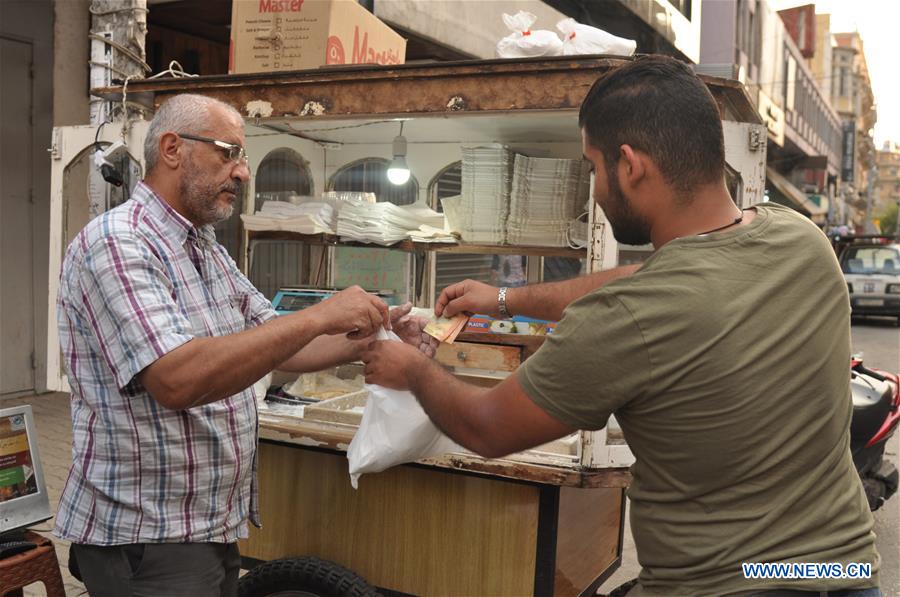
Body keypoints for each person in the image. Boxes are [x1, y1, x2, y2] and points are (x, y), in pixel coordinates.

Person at [361, 56, 881, 596]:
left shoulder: (630, 317)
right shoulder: (802, 241)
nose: (597, 185)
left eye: (593, 166)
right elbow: (655, 276)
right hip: (842, 571)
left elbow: (488, 428)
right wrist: (504, 298)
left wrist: (413, 370)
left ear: (630, 165)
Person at [54, 93, 435, 596]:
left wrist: (371, 340)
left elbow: (275, 343)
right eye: (227, 152)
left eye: (244, 157)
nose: (242, 172)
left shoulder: (203, 248)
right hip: (147, 533)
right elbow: (177, 378)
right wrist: (321, 314)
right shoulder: (120, 243)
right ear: (172, 149)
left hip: (205, 523)